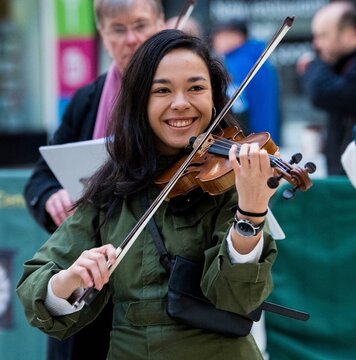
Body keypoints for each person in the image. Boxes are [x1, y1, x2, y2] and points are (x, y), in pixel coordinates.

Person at [17, 29, 278, 360]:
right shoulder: (113, 186)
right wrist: (68, 279)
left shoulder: (232, 179)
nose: (180, 103)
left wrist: (250, 216)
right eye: (162, 90)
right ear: (140, 101)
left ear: (214, 96)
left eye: (196, 88)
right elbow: (36, 287)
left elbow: (235, 299)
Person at [23, 0, 165, 359]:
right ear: (103, 36)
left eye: (140, 25)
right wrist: (50, 194)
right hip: (87, 274)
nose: (131, 38)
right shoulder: (86, 99)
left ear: (161, 23)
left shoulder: (177, 98)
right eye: (118, 29)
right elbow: (40, 177)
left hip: (152, 287)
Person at [297, 1, 356, 175]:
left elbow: (322, 92)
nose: (316, 45)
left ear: (349, 34)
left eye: (323, 35)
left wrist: (317, 62)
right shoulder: (339, 62)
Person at [211, 19, 281, 145]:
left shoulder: (235, 63)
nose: (215, 42)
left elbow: (236, 107)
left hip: (248, 137)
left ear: (237, 37)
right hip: (267, 134)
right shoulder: (259, 59)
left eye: (219, 37)